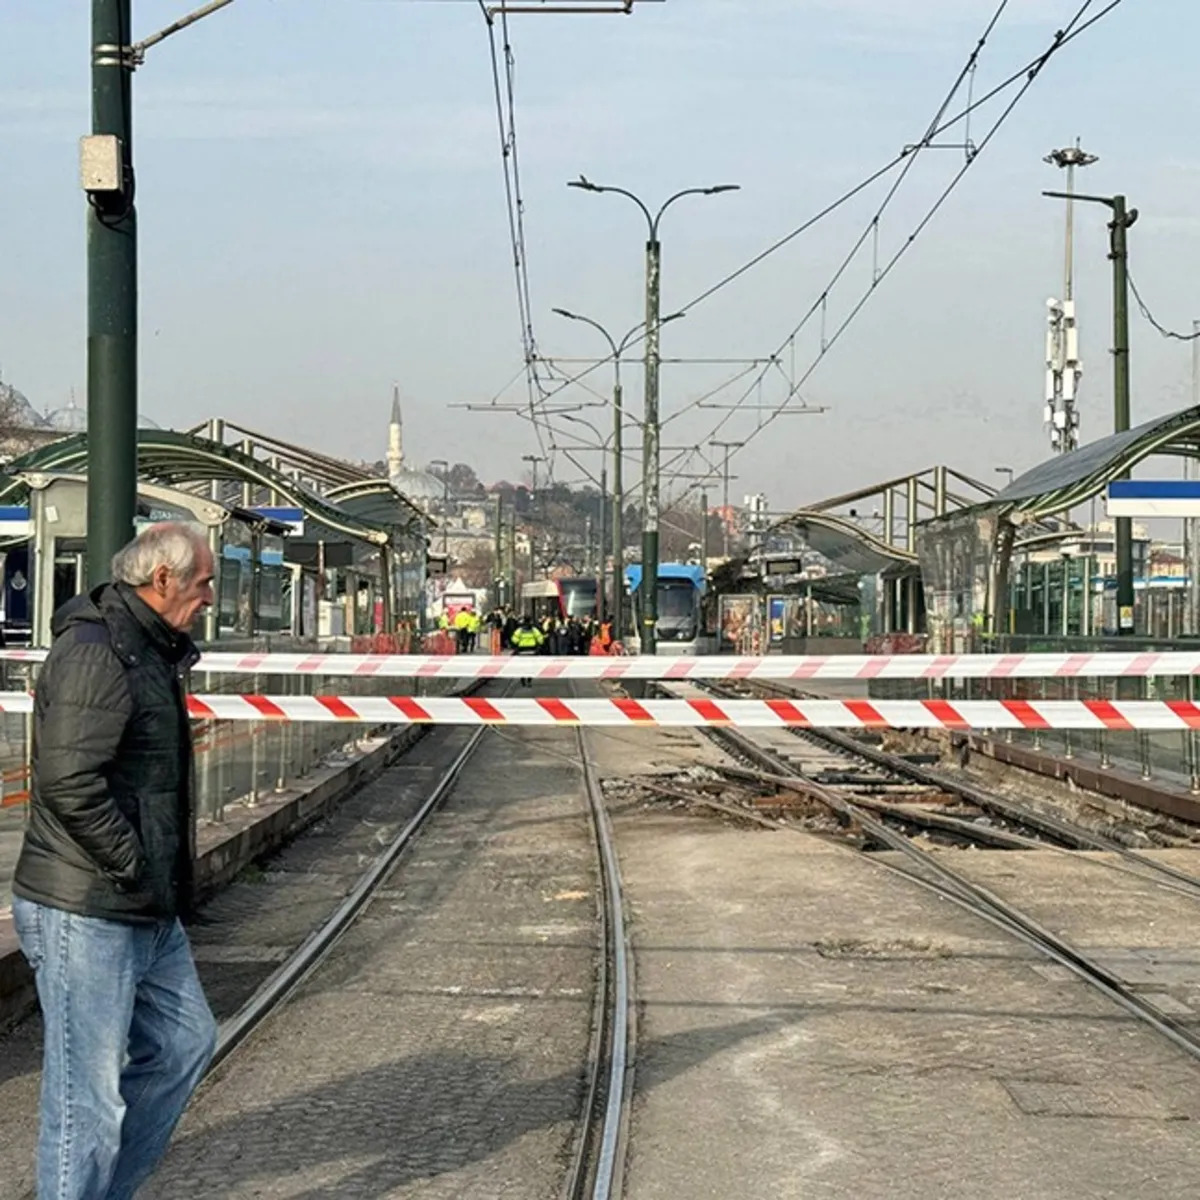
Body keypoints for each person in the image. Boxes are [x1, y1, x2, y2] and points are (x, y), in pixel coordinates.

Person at [11, 522, 219, 1200]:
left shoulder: (150, 647)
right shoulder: (98, 651)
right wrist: (134, 864)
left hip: (140, 901)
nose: (210, 597)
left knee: (186, 1043)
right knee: (86, 1099)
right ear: (162, 580)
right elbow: (69, 783)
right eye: (203, 583)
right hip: (89, 904)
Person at [509, 613, 544, 686]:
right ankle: (529, 680)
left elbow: (514, 639)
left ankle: (523, 679)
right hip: (532, 650)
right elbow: (540, 639)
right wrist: (539, 644)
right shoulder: (534, 629)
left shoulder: (520, 630)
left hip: (522, 651)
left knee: (522, 666)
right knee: (531, 667)